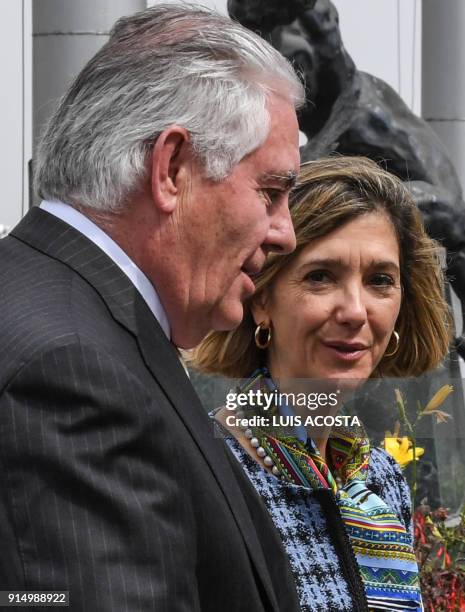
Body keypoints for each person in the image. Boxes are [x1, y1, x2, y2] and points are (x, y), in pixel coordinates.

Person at [0, 4, 305, 610]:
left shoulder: (68, 317)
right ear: (171, 169)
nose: (285, 234)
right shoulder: (74, 367)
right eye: (271, 192)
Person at [193, 156, 452, 611]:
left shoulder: (380, 479)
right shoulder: (205, 471)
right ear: (261, 300)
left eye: (380, 280)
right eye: (321, 276)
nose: (356, 310)